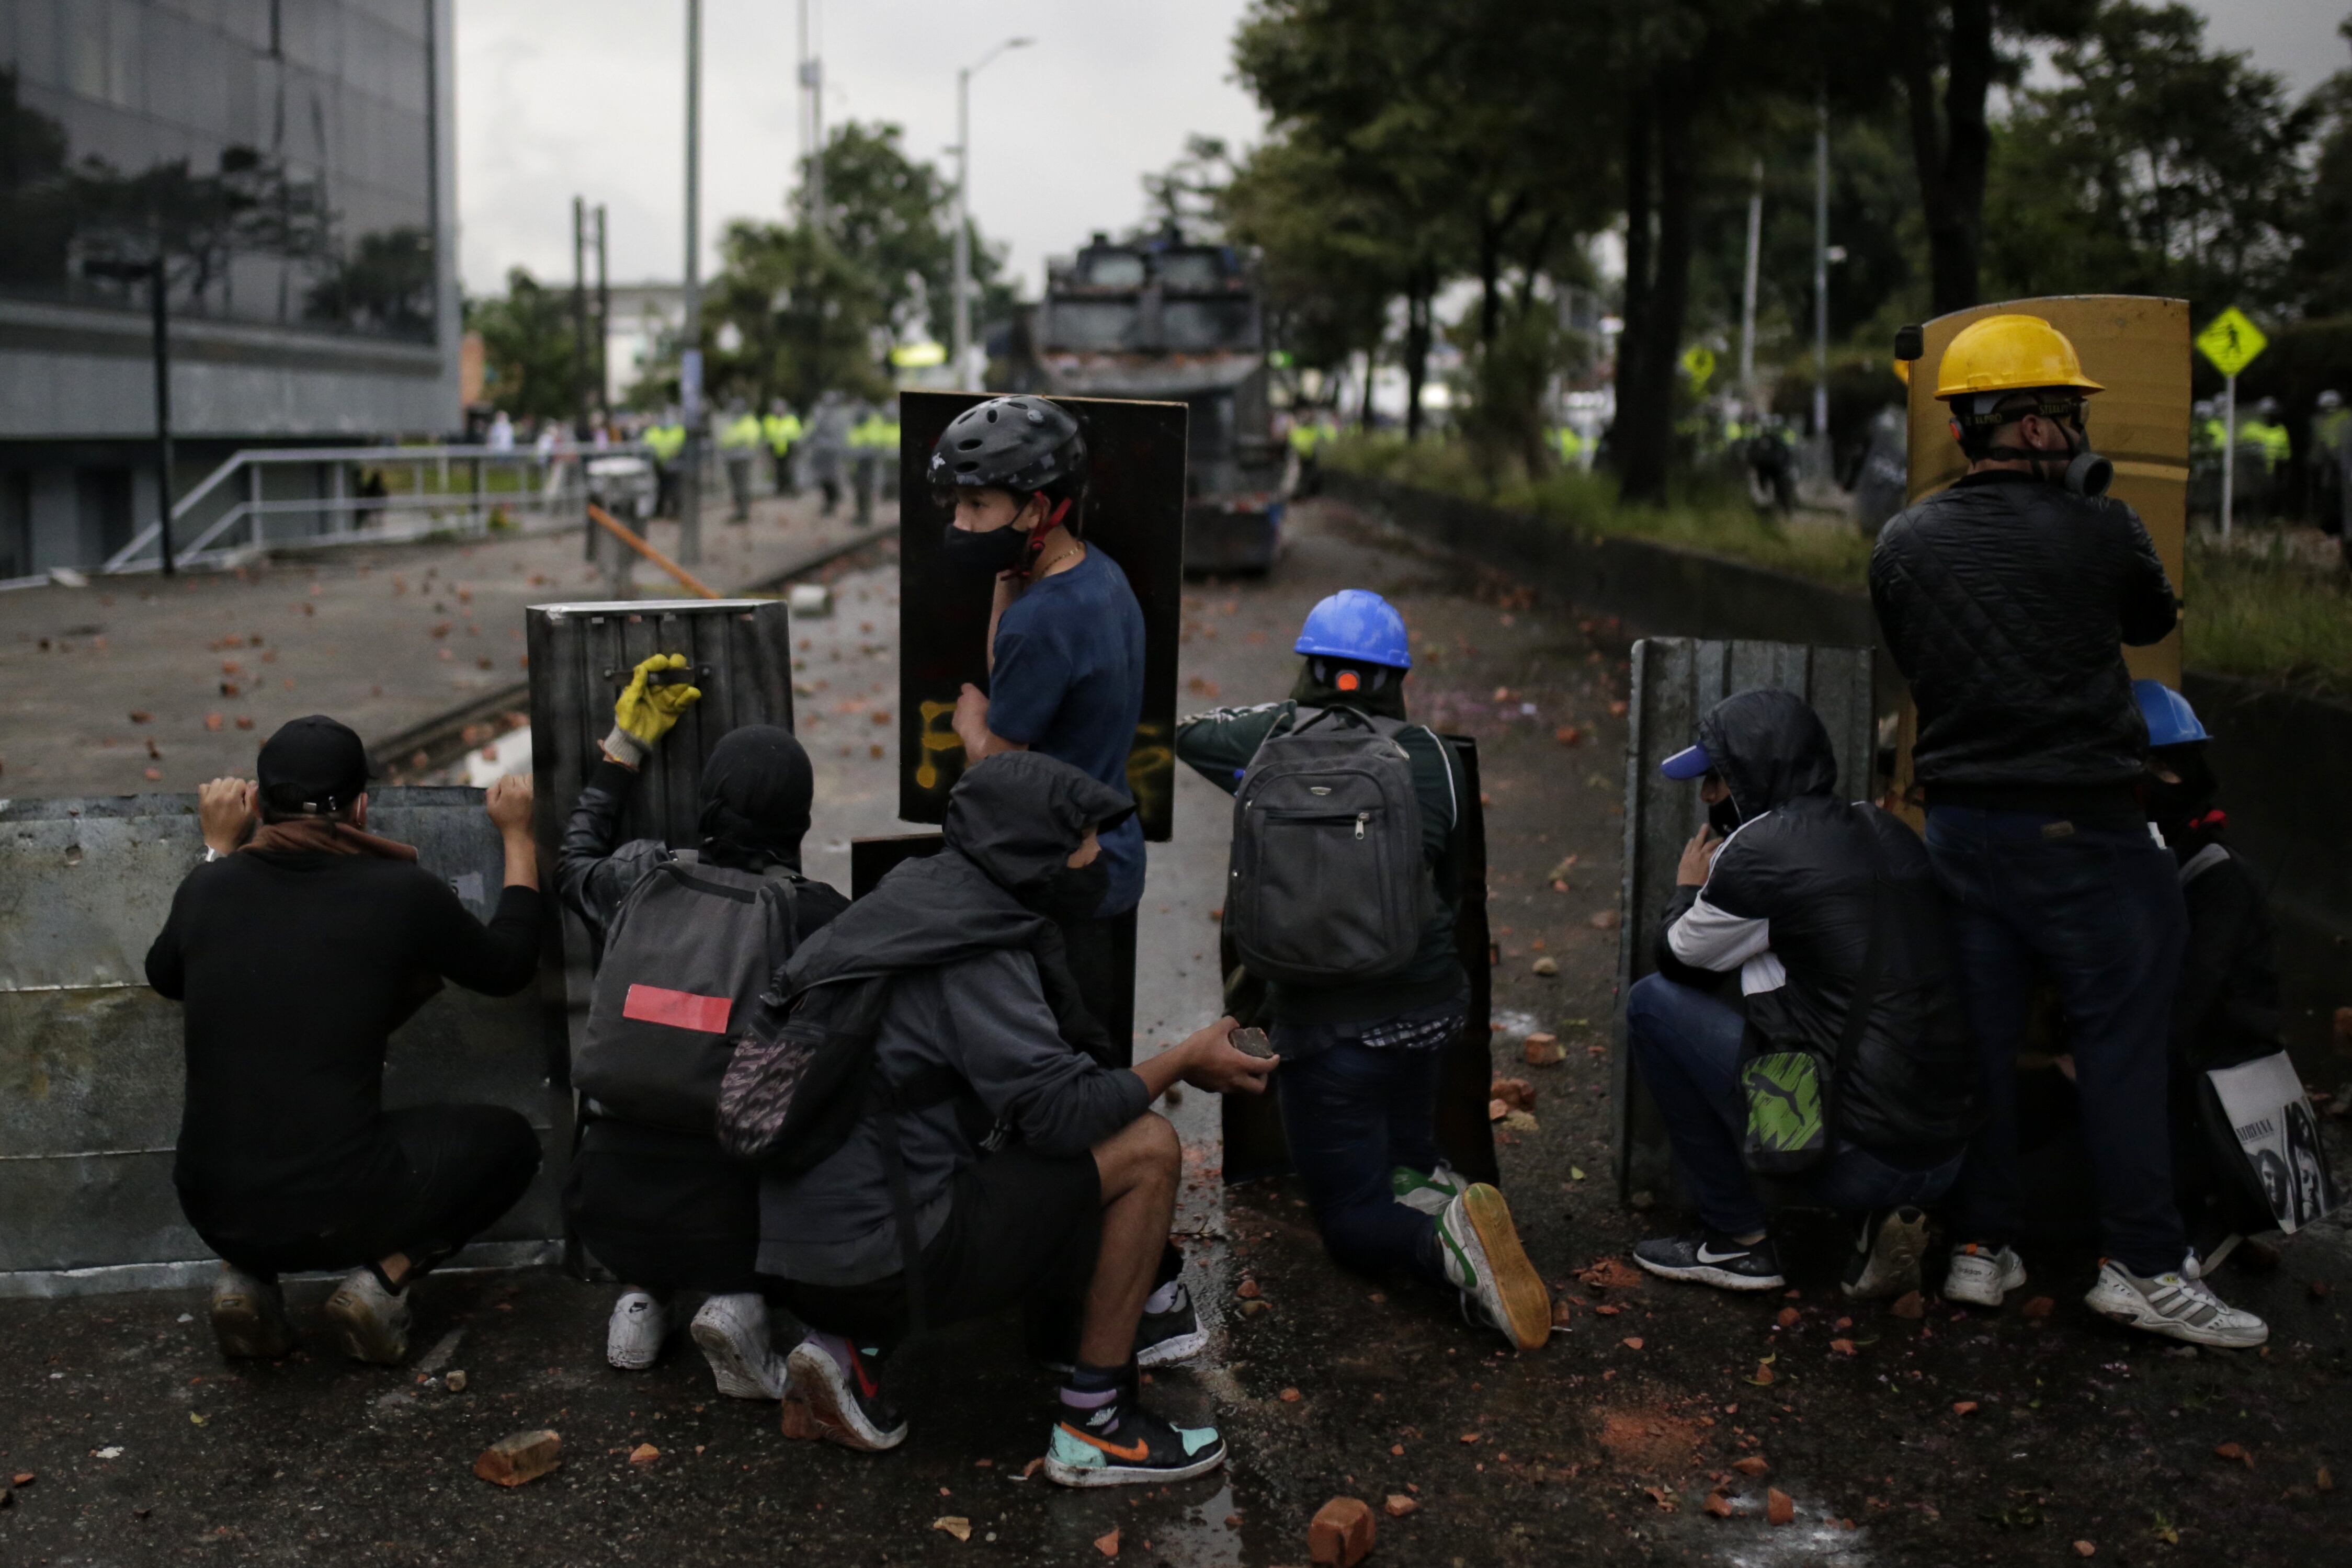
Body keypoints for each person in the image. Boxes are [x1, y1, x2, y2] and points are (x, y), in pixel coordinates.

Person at [1870, 312, 2267, 1347]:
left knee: (1987, 1045)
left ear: (1963, 427)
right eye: (2066, 409)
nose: (2074, 426)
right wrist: (2093, 500)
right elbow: (2149, 620)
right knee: (2123, 1046)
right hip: (2086, 833)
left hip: (1960, 830)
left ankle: (1978, 1247)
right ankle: (2140, 1261)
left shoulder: (1901, 542)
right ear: (2036, 422)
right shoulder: (2101, 529)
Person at [757, 752, 1276, 1485]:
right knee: (1146, 1147)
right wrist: (1184, 1059)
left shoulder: (903, 903)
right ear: (1031, 853)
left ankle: (850, 1354)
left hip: (792, 1257)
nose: (1095, 854)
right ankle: (1095, 1423)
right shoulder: (975, 947)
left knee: (982, 1148)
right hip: (878, 1258)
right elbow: (1064, 1115)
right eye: (1083, 840)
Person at [1175, 590, 1551, 1350]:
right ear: (1397, 675)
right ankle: (1435, 1185)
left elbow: (1183, 736)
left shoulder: (1266, 737)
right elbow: (1449, 888)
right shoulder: (1436, 758)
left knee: (1348, 1224)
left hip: (1325, 1031)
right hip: (1430, 1011)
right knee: (1405, 1140)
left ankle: (1442, 1244)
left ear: (1310, 664)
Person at [144, 717, 544, 1365]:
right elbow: (508, 966)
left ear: (256, 803)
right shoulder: (401, 892)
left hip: (210, 1206)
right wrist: (519, 836)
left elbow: (165, 974)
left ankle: (245, 1279)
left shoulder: (209, 887)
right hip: (339, 1208)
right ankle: (382, 1282)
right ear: (362, 806)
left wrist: (217, 848)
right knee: (512, 1144)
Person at [929, 394, 1190, 1353]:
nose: (960, 525)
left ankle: (1144, 1294)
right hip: (1106, 850)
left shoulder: (1047, 624)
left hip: (1064, 876)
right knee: (1085, 1069)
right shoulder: (1096, 580)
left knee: (1067, 1107)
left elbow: (1006, 773)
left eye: (981, 509)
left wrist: (969, 731)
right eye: (955, 508)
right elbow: (1019, 644)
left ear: (1039, 507)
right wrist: (1006, 574)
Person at [556, 656, 849, 1399]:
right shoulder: (814, 914)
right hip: (734, 1221)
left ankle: (641, 1301)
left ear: (706, 800)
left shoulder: (640, 877)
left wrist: (625, 747)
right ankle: (740, 1303)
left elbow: (573, 860)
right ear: (802, 821)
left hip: (603, 1203)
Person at [1623, 689, 1976, 1299]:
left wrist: (1687, 889)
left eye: (1716, 779)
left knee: (1653, 1003)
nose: (1707, 796)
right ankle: (1886, 1218)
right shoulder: (1886, 829)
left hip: (1850, 1158)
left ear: (1754, 777)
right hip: (1946, 1154)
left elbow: (1679, 957)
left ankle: (1738, 1241)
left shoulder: (1761, 853)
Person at [2132, 679, 2293, 1270]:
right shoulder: (2164, 857)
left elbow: (2195, 993)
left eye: (2166, 768)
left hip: (2222, 1061)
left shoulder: (2214, 873)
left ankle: (2219, 1208)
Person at [718, 400, 765, 522]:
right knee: (736, 487)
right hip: (731, 458)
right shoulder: (733, 423)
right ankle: (739, 511)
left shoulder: (749, 422)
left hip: (743, 458)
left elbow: (750, 439)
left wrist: (734, 443)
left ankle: (743, 512)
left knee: (742, 486)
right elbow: (725, 440)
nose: (734, 411)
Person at [764, 399, 804, 497]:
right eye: (776, 407)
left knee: (790, 470)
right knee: (778, 470)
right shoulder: (769, 420)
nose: (778, 409)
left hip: (790, 448)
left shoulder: (791, 419)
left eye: (780, 407)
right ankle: (781, 490)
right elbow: (766, 434)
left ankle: (792, 489)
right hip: (775, 448)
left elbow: (797, 433)